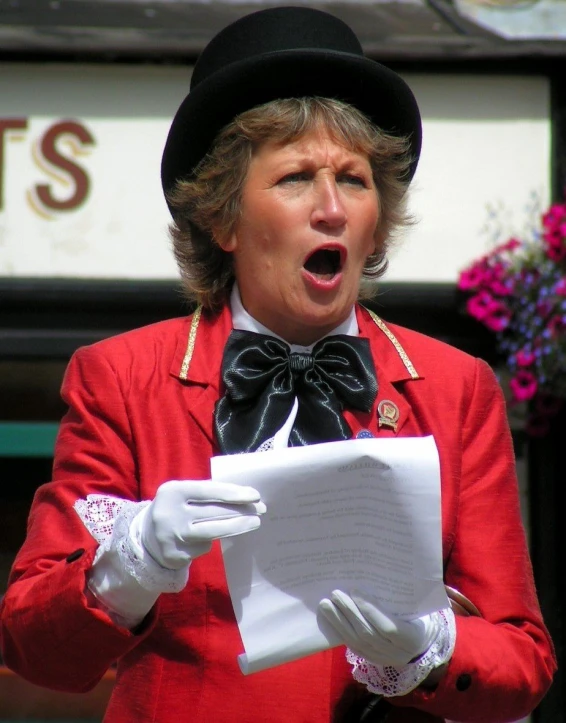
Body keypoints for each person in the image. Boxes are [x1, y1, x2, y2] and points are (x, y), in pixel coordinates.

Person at [0, 7, 556, 723]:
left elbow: (524, 661)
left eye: (354, 181)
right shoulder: (123, 377)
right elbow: (32, 646)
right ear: (225, 219)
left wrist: (431, 648)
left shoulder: (456, 388)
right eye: (296, 178)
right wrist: (129, 564)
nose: (331, 208)